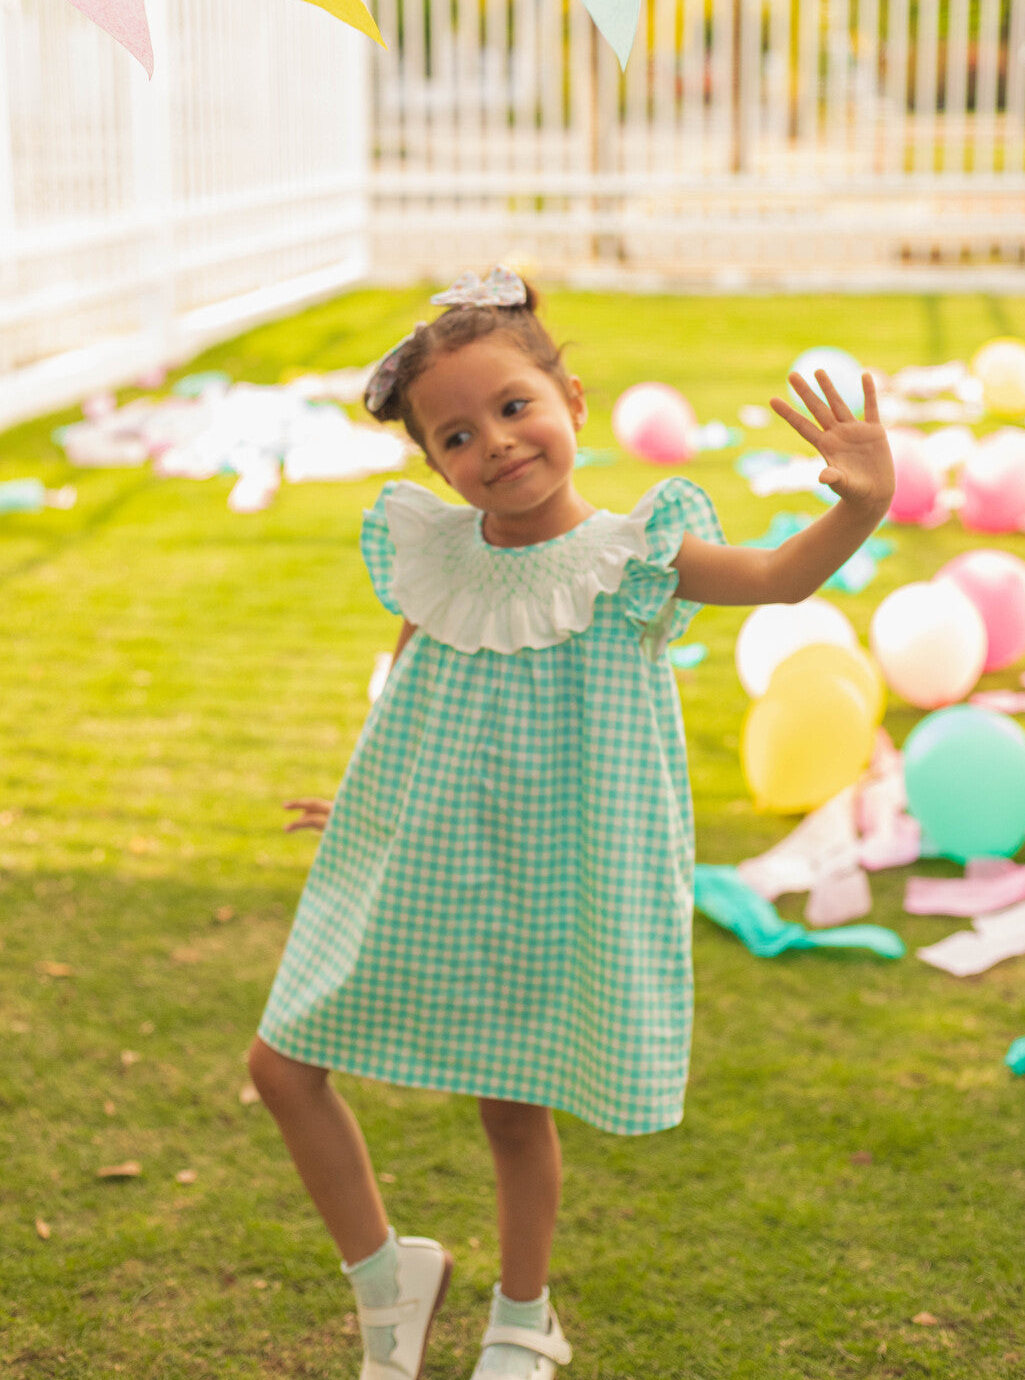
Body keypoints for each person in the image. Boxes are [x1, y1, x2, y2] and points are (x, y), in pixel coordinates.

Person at [248, 267, 894, 1380]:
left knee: (511, 1101)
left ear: (572, 401)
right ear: (433, 463)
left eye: (511, 408)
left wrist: (858, 505)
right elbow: (409, 678)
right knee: (280, 1063)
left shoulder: (634, 557)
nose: (492, 445)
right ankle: (386, 1276)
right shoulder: (435, 557)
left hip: (552, 868)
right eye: (454, 436)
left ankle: (522, 1311)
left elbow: (778, 577)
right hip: (432, 853)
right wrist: (363, 791)